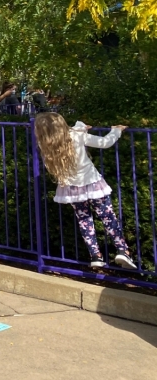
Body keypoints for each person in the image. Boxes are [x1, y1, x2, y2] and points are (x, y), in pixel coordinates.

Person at [34, 113, 136, 269]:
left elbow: (71, 132)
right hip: (92, 184)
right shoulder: (75, 135)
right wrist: (116, 131)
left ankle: (95, 255)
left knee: (85, 221)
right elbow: (104, 142)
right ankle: (123, 250)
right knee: (107, 216)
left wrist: (80, 128)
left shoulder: (46, 144)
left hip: (72, 190)